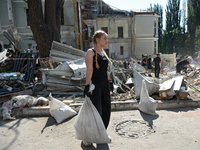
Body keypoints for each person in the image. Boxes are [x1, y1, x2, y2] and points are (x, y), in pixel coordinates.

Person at [83, 30, 113, 147]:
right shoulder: (91, 52)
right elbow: (89, 70)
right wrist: (87, 86)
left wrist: (110, 82)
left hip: (105, 85)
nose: (107, 41)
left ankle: (101, 133)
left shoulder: (103, 53)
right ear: (97, 40)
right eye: (105, 38)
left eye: (106, 38)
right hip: (95, 86)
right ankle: (88, 137)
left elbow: (105, 70)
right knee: (96, 112)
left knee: (106, 110)